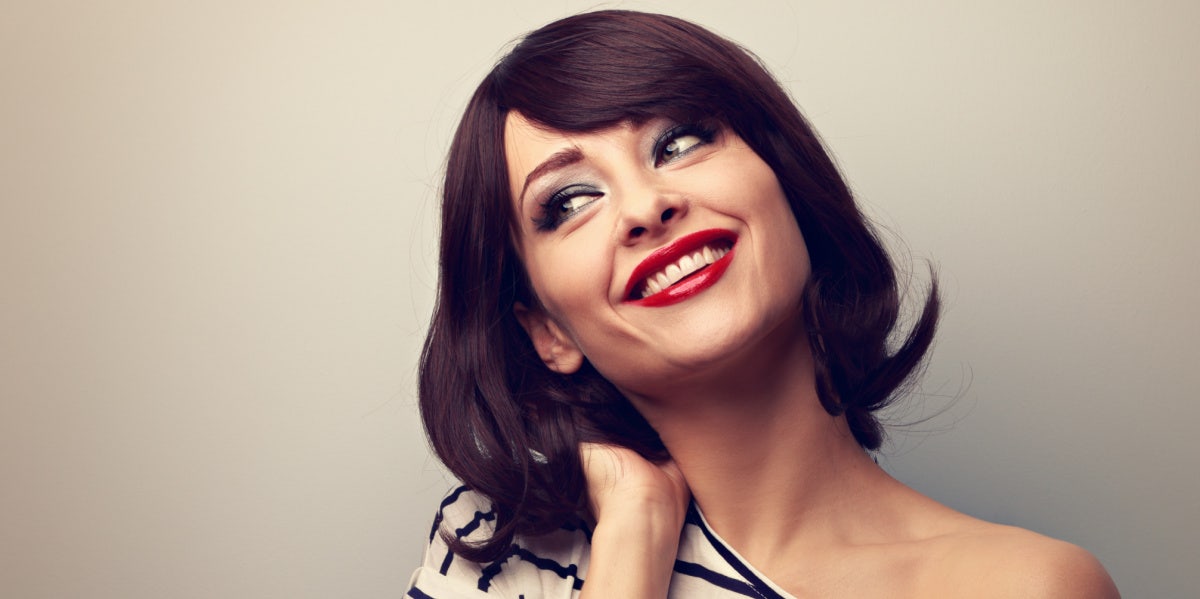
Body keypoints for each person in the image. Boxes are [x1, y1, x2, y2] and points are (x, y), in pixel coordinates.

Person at [407, 10, 1118, 598]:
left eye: (679, 141)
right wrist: (634, 536)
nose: (648, 206)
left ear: (789, 185)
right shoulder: (491, 554)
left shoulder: (1027, 585)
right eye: (569, 201)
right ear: (547, 330)